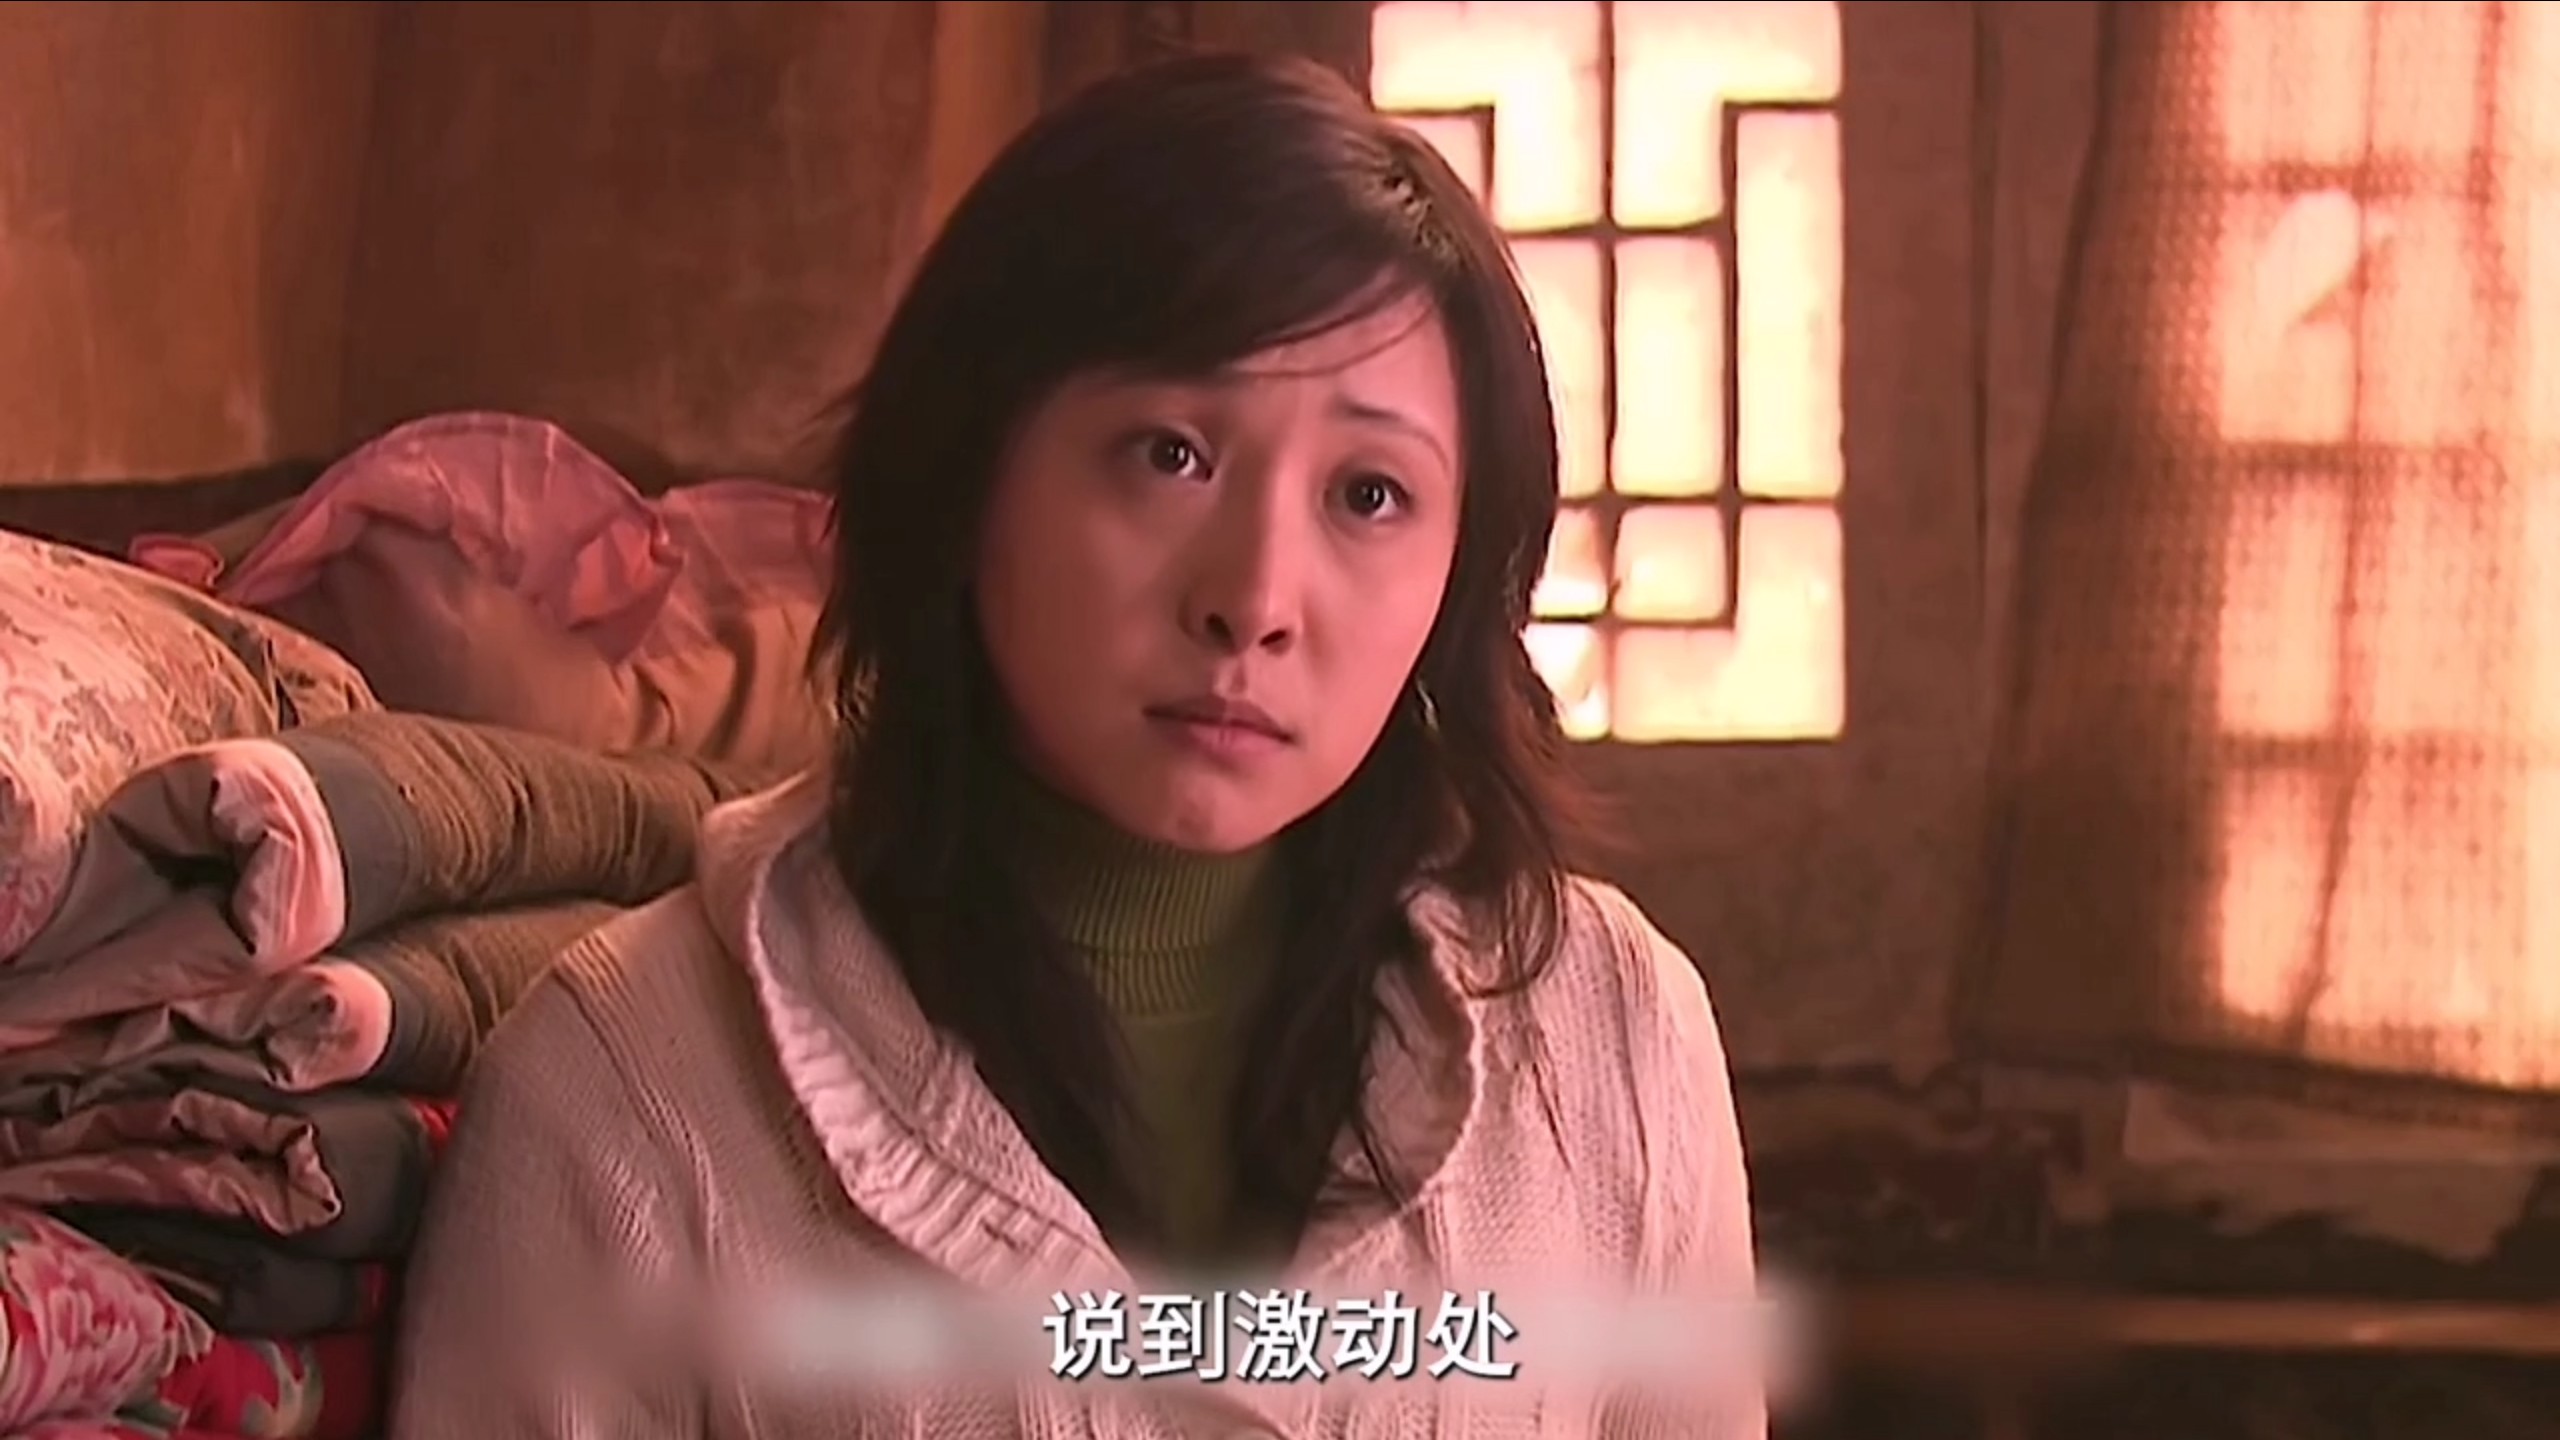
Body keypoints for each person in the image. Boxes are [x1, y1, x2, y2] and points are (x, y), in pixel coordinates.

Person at [388, 49, 1760, 1440]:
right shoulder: (625, 1087)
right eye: (1170, 454)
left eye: (1369, 494)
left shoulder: (1614, 1041)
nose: (1255, 599)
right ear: (970, 466)